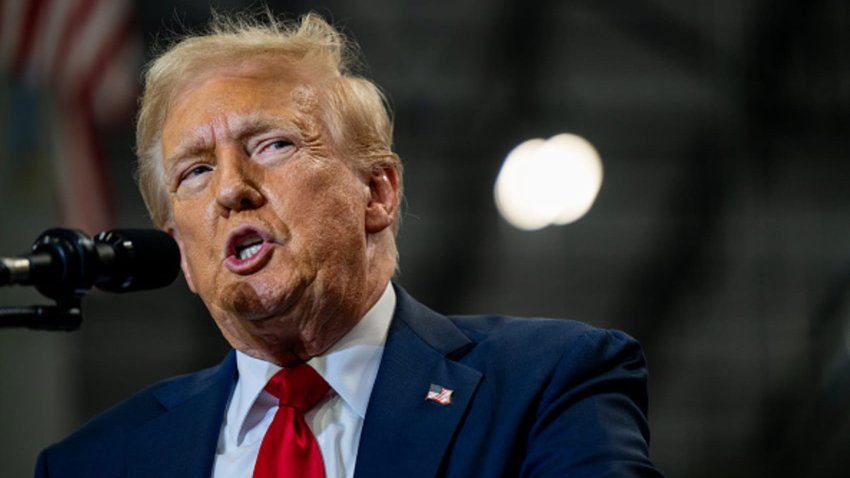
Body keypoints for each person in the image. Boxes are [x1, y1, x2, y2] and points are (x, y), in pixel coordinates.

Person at [35, 11, 663, 478]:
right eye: (194, 171)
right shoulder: (94, 463)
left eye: (271, 145)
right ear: (181, 253)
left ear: (377, 191)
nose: (231, 189)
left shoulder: (545, 385)